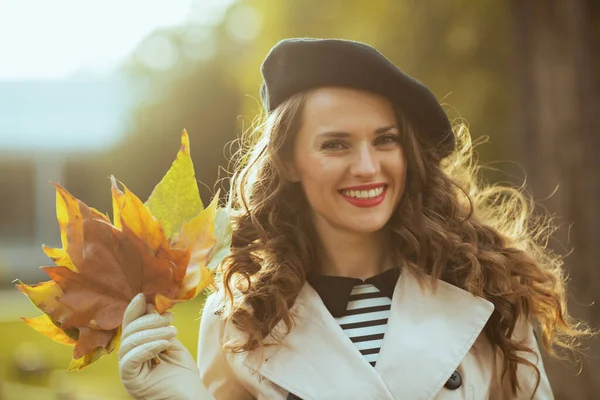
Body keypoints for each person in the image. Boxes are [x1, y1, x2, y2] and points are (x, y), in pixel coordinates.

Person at [117, 38, 591, 399]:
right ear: (287, 161)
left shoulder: (488, 289)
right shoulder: (235, 321)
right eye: (335, 144)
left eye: (385, 140)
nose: (367, 167)